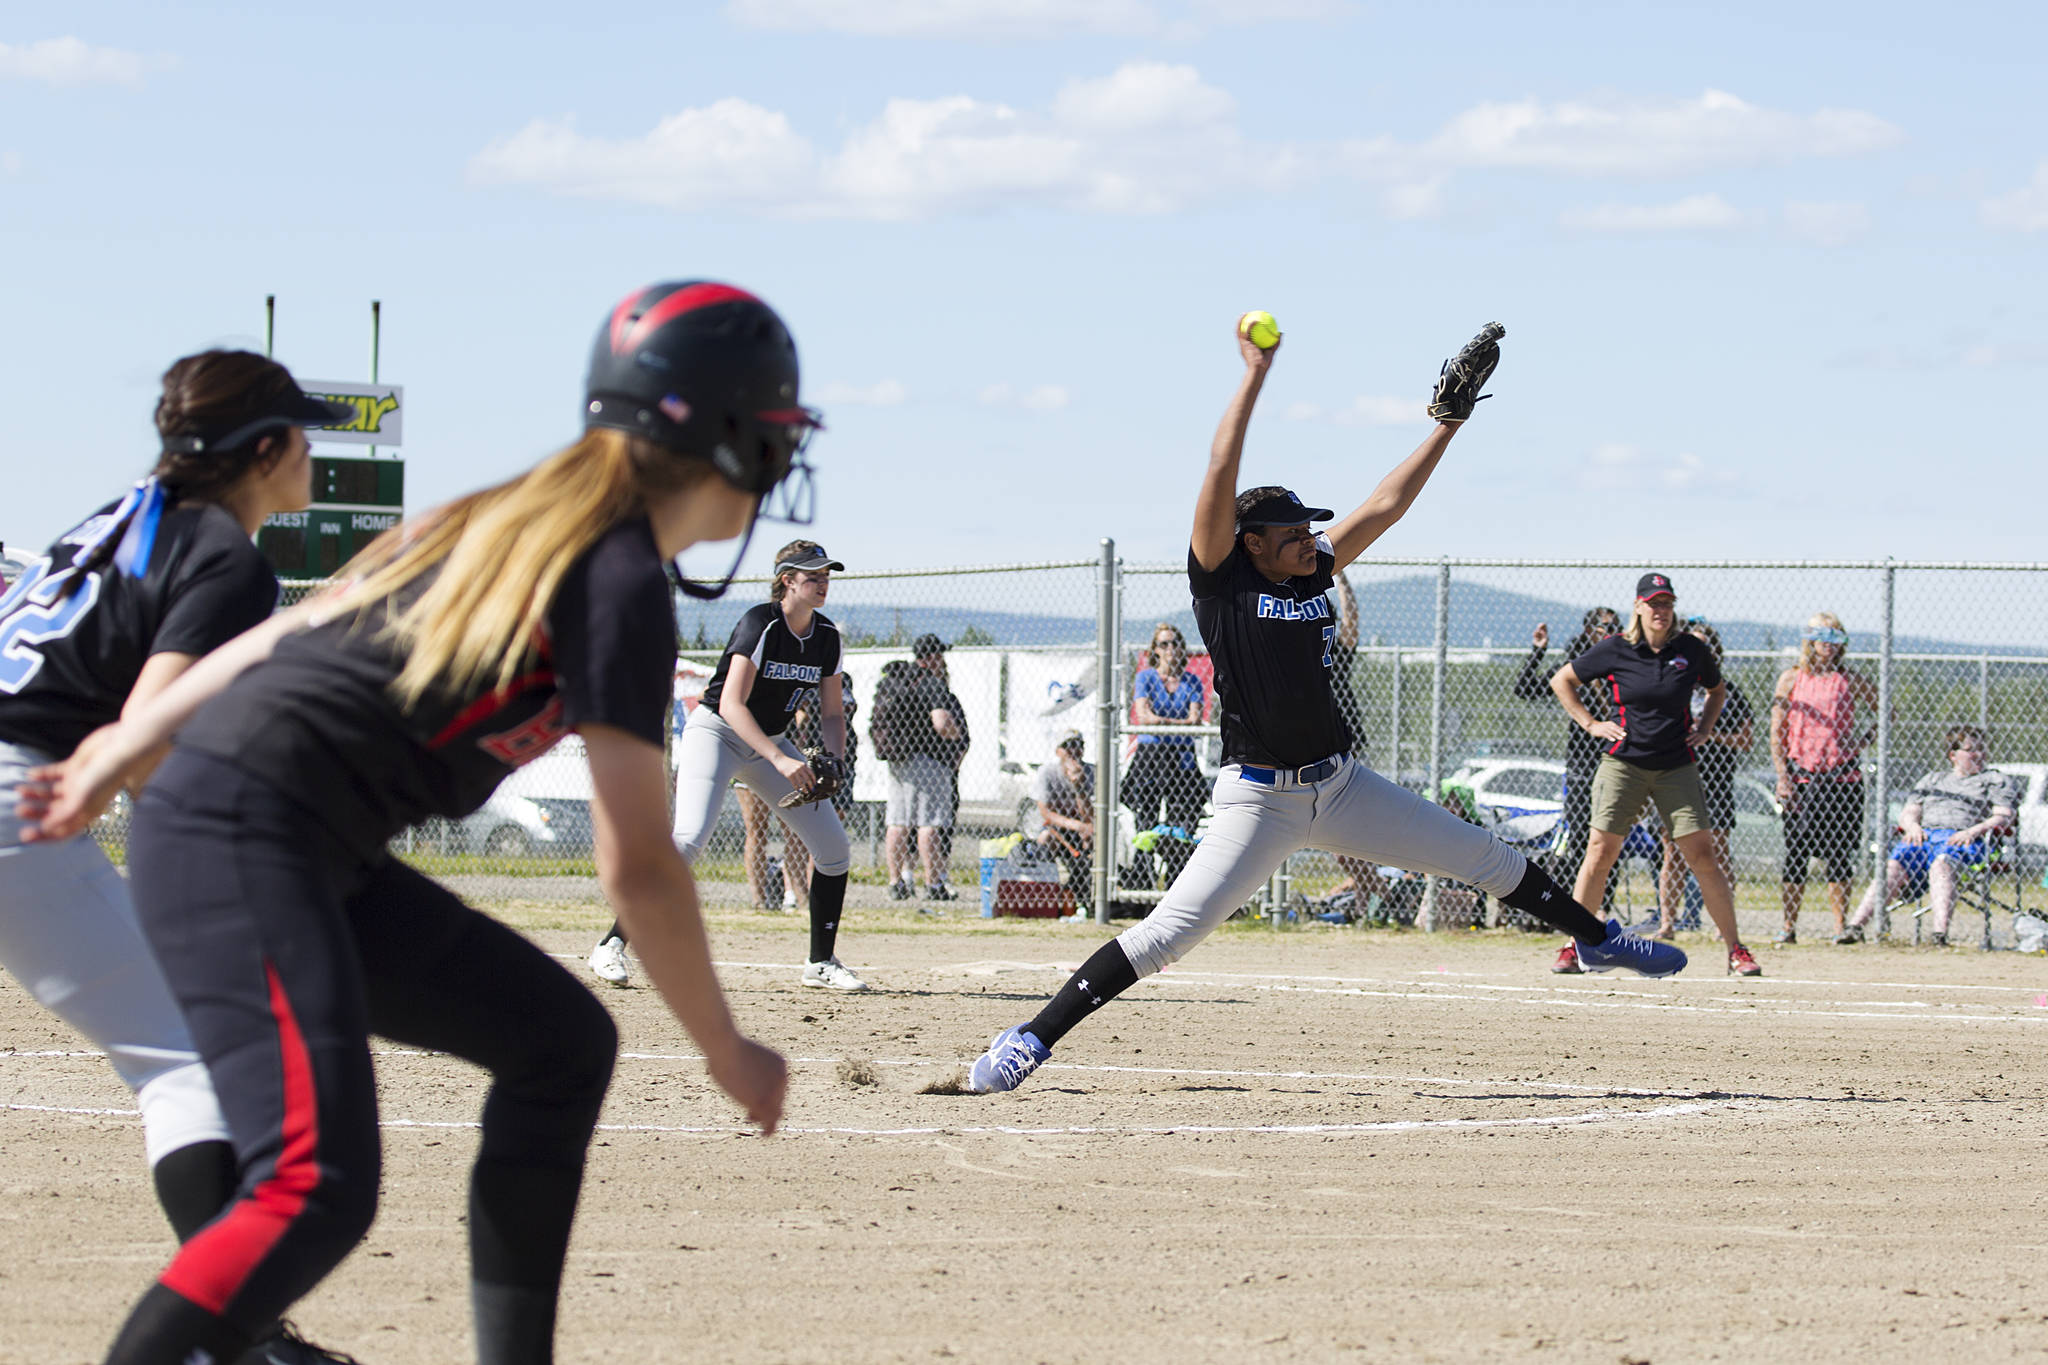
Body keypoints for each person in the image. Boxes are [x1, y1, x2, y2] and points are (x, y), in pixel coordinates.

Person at [17, 281, 798, 1364]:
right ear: (732, 441)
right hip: (238, 839)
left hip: (296, 845)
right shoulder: (611, 576)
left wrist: (114, 745)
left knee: (562, 1046)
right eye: (776, 433)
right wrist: (725, 1046)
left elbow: (284, 636)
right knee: (314, 1188)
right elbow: (640, 871)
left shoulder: (512, 519)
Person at [965, 318, 1686, 1094]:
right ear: (1249, 542)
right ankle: (1029, 1038)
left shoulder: (1311, 573)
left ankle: (1600, 938)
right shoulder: (1222, 579)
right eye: (1292, 532)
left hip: (1341, 785)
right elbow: (1218, 466)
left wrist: (1447, 425)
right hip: (1258, 800)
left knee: (1488, 857)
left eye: (1311, 529)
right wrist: (1254, 376)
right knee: (1166, 933)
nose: (1311, 540)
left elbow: (1386, 504)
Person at [0, 351, 355, 1363]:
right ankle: (241, 1339)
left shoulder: (119, 515)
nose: (313, 456)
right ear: (266, 449)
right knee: (187, 1062)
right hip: (17, 794)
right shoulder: (225, 555)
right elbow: (150, 732)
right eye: (301, 436)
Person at [589, 538, 865, 991]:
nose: (822, 583)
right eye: (812, 575)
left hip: (769, 743)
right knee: (688, 840)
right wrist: (780, 760)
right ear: (786, 581)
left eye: (826, 575)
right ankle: (612, 944)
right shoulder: (762, 623)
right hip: (716, 733)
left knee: (834, 849)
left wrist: (832, 758)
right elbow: (733, 705)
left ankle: (821, 962)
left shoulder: (827, 637)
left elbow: (833, 713)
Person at [1546, 575, 1759, 977]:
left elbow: (1716, 690)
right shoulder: (1616, 649)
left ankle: (1736, 950)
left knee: (1702, 855)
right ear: (1638, 607)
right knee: (1599, 852)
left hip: (1676, 764)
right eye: (1653, 603)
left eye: (1666, 603)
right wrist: (1591, 724)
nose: (1660, 611)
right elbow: (1563, 680)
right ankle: (1573, 945)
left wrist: (1706, 728)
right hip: (1623, 763)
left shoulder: (1691, 650)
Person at [1837, 725, 2018, 947]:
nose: (1979, 754)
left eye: (1981, 749)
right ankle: (1855, 927)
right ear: (1953, 755)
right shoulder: (1933, 780)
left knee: (1942, 864)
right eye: (1971, 749)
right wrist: (1912, 827)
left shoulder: (1993, 779)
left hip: (1966, 840)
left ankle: (1939, 935)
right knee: (1892, 867)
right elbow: (1909, 812)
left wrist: (1972, 831)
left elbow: (2004, 816)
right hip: (1925, 837)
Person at [1772, 612, 1880, 942]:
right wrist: (1782, 776)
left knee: (1837, 855)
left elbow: (1885, 709)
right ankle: (1788, 927)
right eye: (1823, 636)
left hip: (1841, 778)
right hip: (1802, 777)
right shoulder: (1792, 678)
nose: (1829, 644)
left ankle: (1839, 926)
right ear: (1810, 639)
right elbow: (1777, 730)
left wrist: (1863, 740)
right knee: (1796, 855)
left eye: (1836, 637)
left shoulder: (1849, 679)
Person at [1514, 606, 1624, 912]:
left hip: (1615, 761)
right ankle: (1581, 909)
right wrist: (1538, 651)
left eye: (1615, 626)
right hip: (1580, 763)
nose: (1610, 631)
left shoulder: (1622, 666)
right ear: (1590, 632)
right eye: (1604, 627)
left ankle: (1603, 908)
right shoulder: (1575, 669)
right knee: (1580, 837)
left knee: (1609, 838)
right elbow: (1525, 688)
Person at [1654, 617, 1754, 937]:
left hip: (1716, 782)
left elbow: (1746, 739)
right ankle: (1667, 922)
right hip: (1676, 777)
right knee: (1673, 851)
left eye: (1704, 646)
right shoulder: (1672, 683)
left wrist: (1708, 735)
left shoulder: (1727, 691)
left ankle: (1723, 926)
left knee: (1718, 853)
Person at [880, 634, 968, 903]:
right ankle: (933, 883)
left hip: (898, 759)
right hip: (929, 761)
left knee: (897, 822)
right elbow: (941, 723)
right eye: (939, 655)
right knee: (928, 825)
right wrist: (957, 733)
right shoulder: (931, 682)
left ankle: (896, 882)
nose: (942, 660)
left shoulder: (896, 679)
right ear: (931, 657)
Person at [1124, 621, 1207, 885]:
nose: (1170, 649)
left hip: (1181, 755)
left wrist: (1163, 722)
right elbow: (1143, 716)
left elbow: (1195, 719)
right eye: (1164, 644)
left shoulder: (1191, 680)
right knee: (1146, 816)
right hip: (1151, 754)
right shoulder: (1145, 678)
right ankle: (1142, 882)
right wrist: (1176, 724)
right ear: (1155, 650)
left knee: (1183, 815)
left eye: (1175, 643)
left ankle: (1176, 881)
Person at [1026, 729, 1096, 911]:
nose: (1074, 750)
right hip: (1055, 829)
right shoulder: (1047, 772)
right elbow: (1047, 814)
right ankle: (1043, 897)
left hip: (1083, 832)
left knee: (1097, 842)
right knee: (1046, 839)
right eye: (1068, 746)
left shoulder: (1092, 772)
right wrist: (1078, 826)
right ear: (1058, 751)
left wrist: (1079, 787)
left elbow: (1091, 817)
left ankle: (1088, 899)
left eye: (1078, 745)